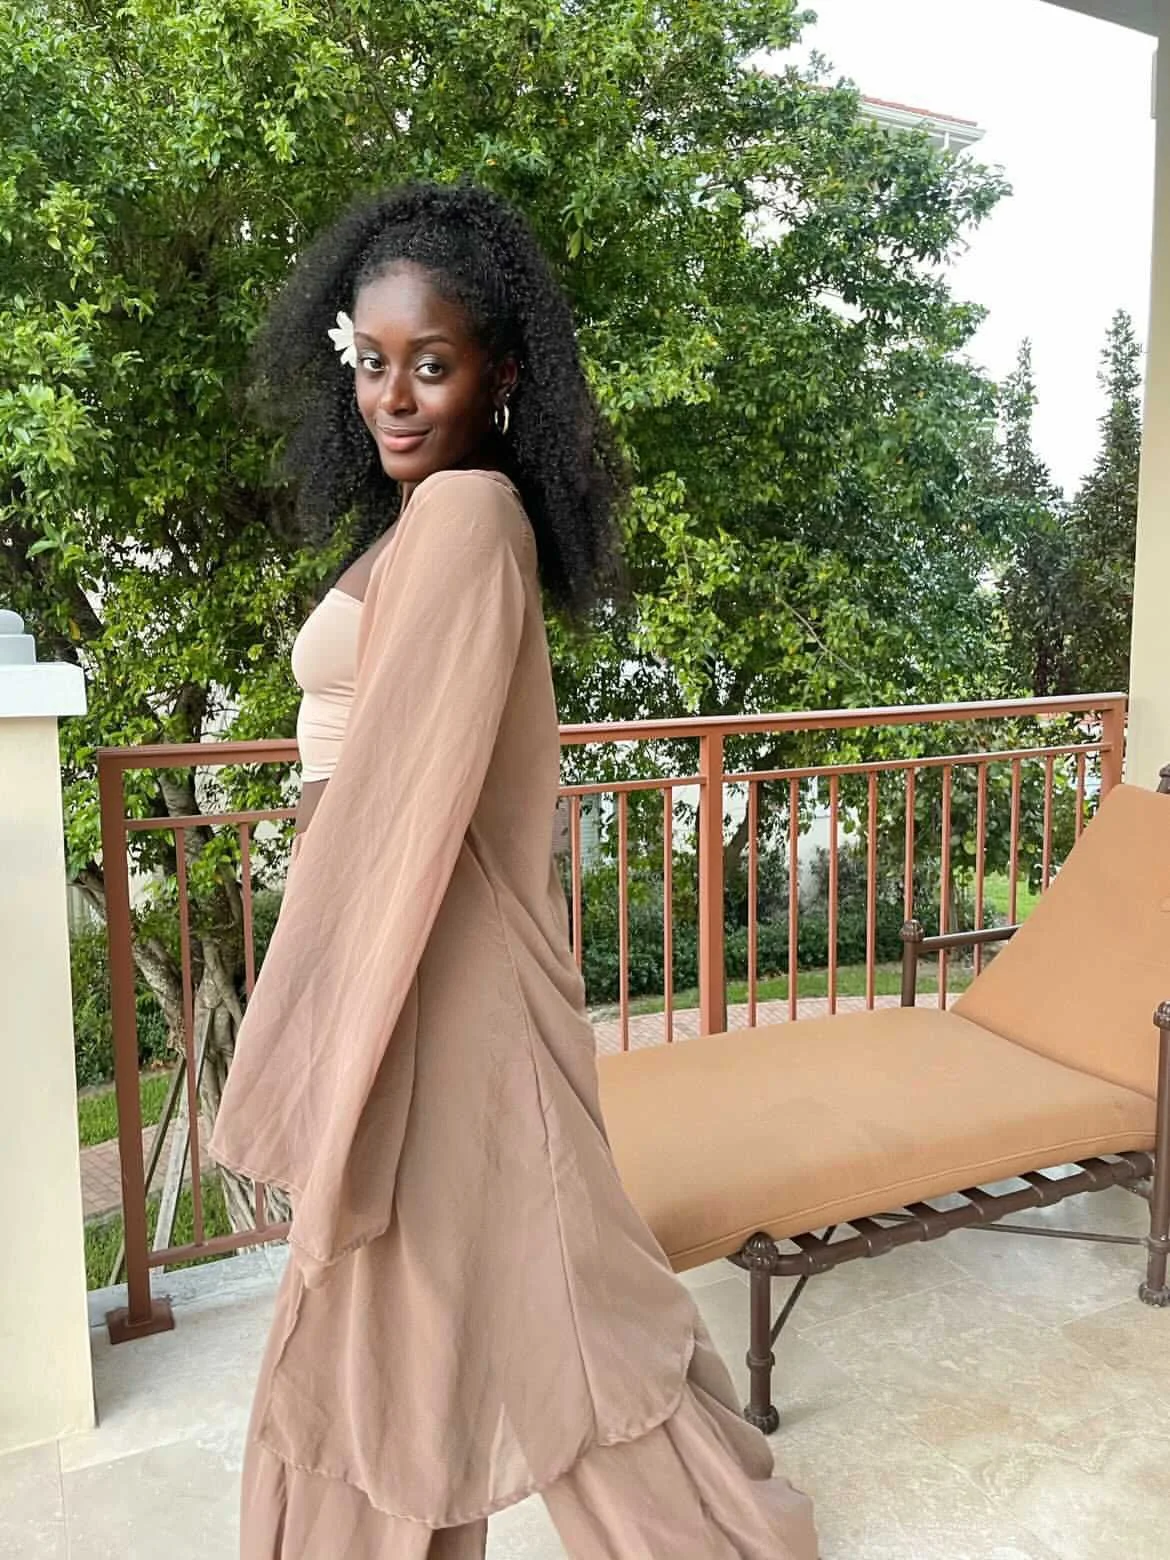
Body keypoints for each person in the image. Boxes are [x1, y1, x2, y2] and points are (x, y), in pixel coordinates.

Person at [209, 181, 818, 1560]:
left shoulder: (469, 516)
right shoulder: (424, 521)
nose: (395, 396)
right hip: (416, 968)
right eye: (372, 364)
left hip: (444, 972)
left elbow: (397, 808)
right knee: (410, 1302)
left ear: (503, 373)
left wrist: (303, 1057)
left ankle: (717, 1539)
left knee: (549, 1302)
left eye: (433, 362)